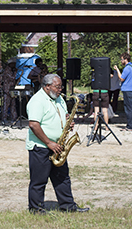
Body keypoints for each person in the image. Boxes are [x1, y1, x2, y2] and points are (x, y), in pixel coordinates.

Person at [26, 73, 89, 214]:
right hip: (41, 147)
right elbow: (33, 125)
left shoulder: (59, 98)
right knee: (39, 181)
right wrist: (49, 143)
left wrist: (68, 122)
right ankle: (36, 210)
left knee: (63, 178)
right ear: (47, 86)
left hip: (58, 145)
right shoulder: (37, 101)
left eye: (61, 86)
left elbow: (63, 115)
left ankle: (68, 206)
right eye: (57, 87)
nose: (61, 89)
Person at [114, 52, 132, 131]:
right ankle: (131, 124)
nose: (121, 61)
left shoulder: (127, 68)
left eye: (122, 59)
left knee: (128, 109)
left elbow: (121, 78)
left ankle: (130, 126)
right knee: (131, 108)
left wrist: (117, 70)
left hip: (127, 90)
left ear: (125, 59)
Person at [1, 58, 18, 122]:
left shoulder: (12, 70)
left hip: (12, 89)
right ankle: (4, 118)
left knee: (13, 104)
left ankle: (14, 118)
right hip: (7, 90)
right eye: (14, 64)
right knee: (6, 104)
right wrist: (16, 72)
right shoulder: (7, 70)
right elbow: (12, 78)